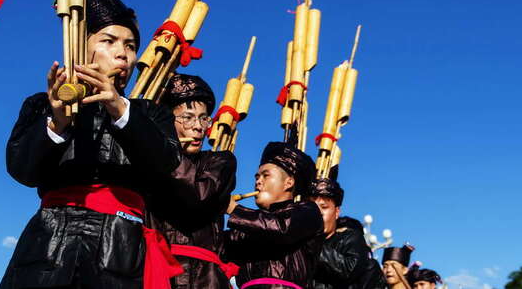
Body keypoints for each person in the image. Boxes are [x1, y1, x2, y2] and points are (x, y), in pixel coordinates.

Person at [0, 0, 183, 289]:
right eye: (108, 41)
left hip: (120, 247)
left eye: (131, 45)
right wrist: (57, 123)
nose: (123, 53)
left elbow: (166, 163)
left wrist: (118, 108)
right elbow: (22, 170)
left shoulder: (149, 113)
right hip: (49, 243)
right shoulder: (42, 105)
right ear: (80, 47)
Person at [146, 73, 238, 289]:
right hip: (154, 271)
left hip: (205, 279)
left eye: (204, 118)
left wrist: (166, 150)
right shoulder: (146, 161)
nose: (198, 127)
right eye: (187, 117)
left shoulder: (219, 162)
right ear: (166, 120)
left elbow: (200, 194)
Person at [224, 142, 325, 289]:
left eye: (266, 175)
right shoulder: (247, 226)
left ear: (288, 183)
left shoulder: (308, 211)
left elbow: (281, 229)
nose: (258, 181)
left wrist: (235, 209)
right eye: (257, 177)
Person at [309, 178, 386, 289]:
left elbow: (349, 269)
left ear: (337, 212)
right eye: (312, 208)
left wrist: (312, 244)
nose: (318, 213)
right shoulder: (299, 242)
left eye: (324, 207)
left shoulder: (350, 238)